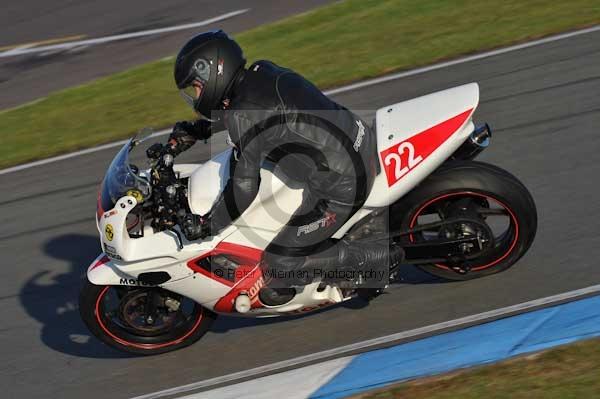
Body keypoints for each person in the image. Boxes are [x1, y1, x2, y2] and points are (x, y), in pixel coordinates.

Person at [168, 30, 403, 304]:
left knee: (279, 264)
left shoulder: (246, 116)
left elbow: (243, 188)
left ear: (213, 74)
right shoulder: (260, 71)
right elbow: (263, 112)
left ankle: (372, 260)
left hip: (344, 184)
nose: (196, 96)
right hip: (355, 136)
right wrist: (200, 130)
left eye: (196, 87)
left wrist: (207, 226)